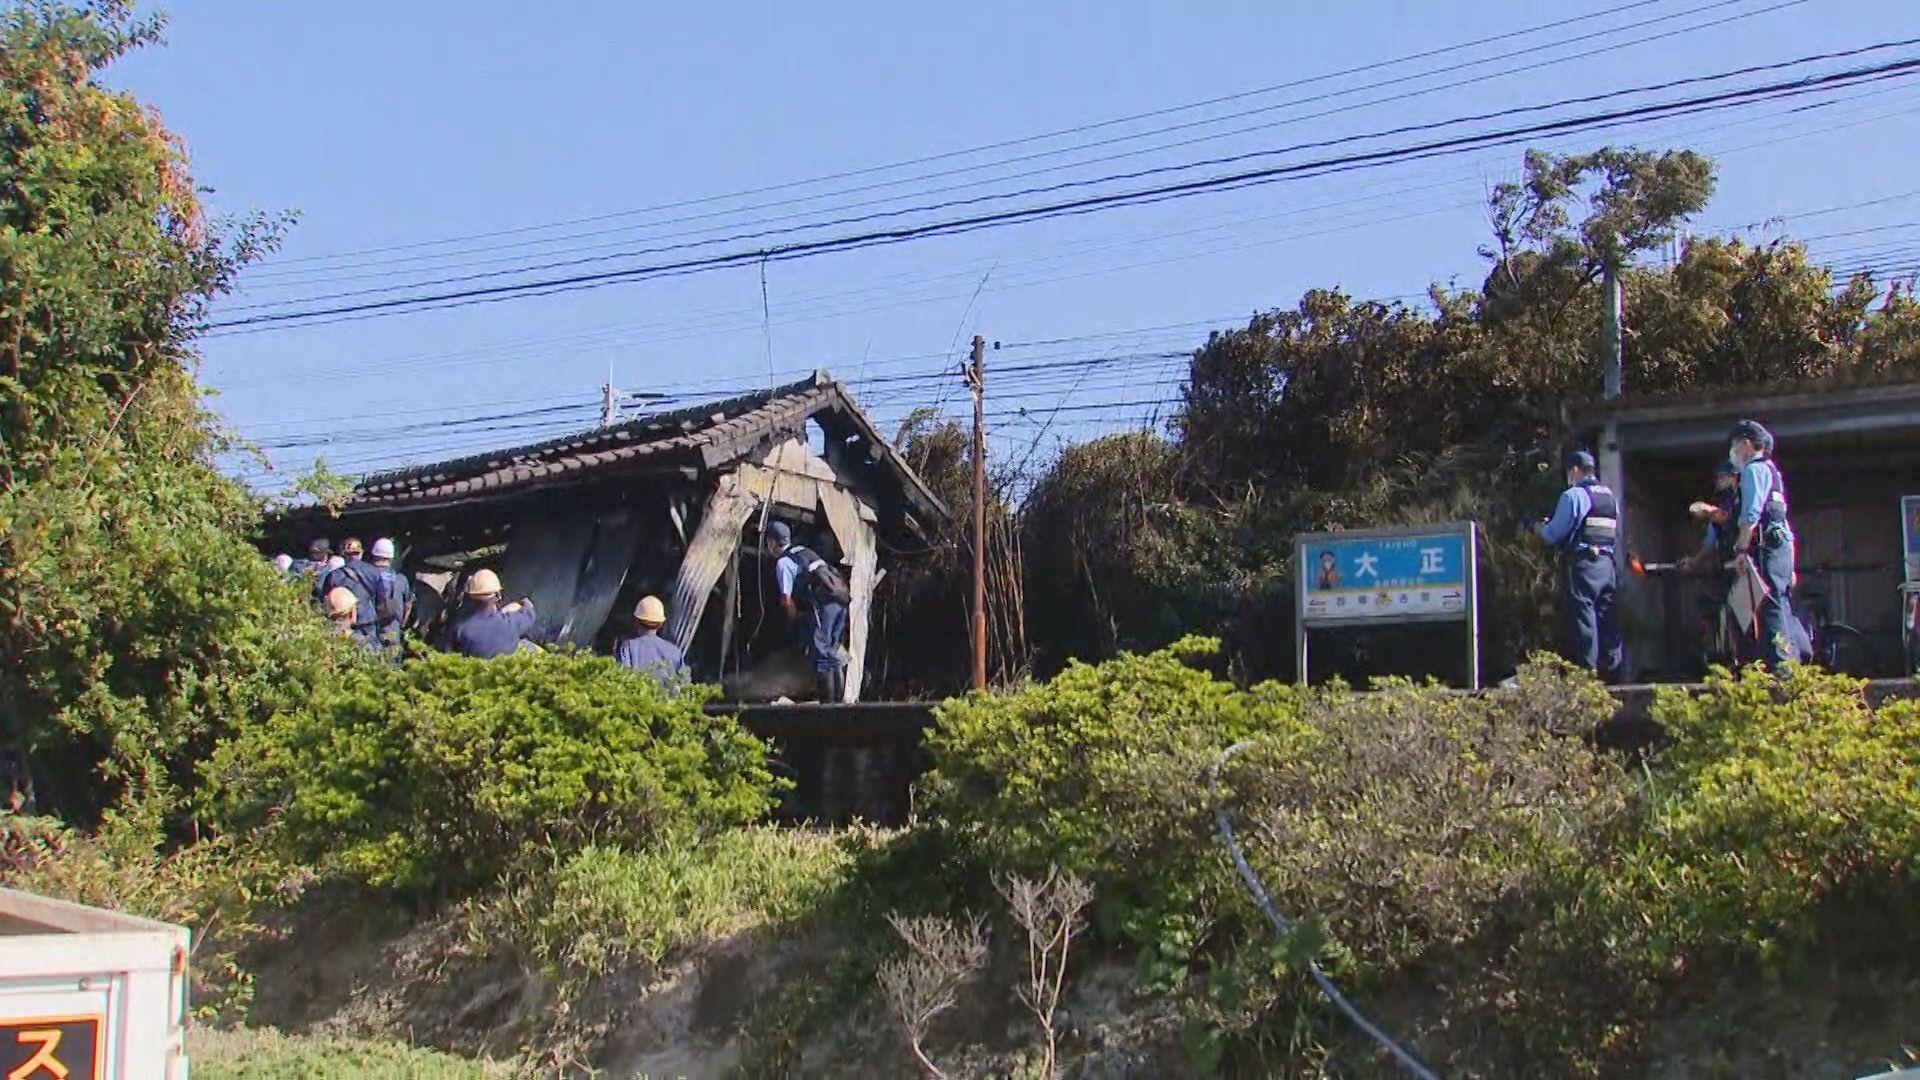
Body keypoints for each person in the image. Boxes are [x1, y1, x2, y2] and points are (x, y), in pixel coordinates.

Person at [1536, 449, 1624, 682]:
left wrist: (1539, 529)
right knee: (1608, 619)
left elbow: (1554, 533)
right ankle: (1614, 678)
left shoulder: (1574, 495)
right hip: (1607, 565)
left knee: (1584, 619)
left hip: (1583, 564)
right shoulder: (1609, 497)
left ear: (1574, 470)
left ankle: (1587, 678)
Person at [1726, 419, 1805, 669]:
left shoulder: (1753, 470)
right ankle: (1794, 660)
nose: (1733, 451)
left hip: (1766, 547)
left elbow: (1750, 515)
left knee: (1769, 605)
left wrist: (1740, 550)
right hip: (1781, 547)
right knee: (1781, 603)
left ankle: (1782, 670)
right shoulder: (1774, 472)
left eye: (1734, 445)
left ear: (1746, 444)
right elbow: (1782, 518)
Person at [763, 520, 851, 703]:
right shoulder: (804, 551)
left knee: (820, 653)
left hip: (822, 604)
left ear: (772, 542)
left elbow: (786, 598)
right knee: (832, 652)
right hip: (840, 601)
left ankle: (827, 705)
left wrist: (793, 621)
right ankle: (838, 702)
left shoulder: (784, 562)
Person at [447, 568, 537, 658]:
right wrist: (522, 603)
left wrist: (502, 612)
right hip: (507, 666)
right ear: (497, 595)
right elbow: (530, 613)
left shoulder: (459, 627)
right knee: (529, 646)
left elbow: (448, 649)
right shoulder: (511, 622)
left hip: (479, 667)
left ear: (470, 595)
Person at [614, 595, 690, 687]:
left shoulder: (628, 647)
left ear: (636, 621)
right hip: (668, 701)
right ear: (661, 623)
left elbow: (622, 680)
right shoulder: (674, 651)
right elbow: (684, 683)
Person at [321, 538, 379, 643]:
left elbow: (325, 601)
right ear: (361, 553)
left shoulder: (334, 575)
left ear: (344, 554)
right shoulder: (374, 572)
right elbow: (381, 598)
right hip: (367, 621)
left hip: (344, 621)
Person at [365, 537, 414, 654]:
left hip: (369, 631)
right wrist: (401, 625)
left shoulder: (365, 576)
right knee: (393, 667)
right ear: (391, 557)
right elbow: (408, 606)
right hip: (393, 630)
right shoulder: (401, 579)